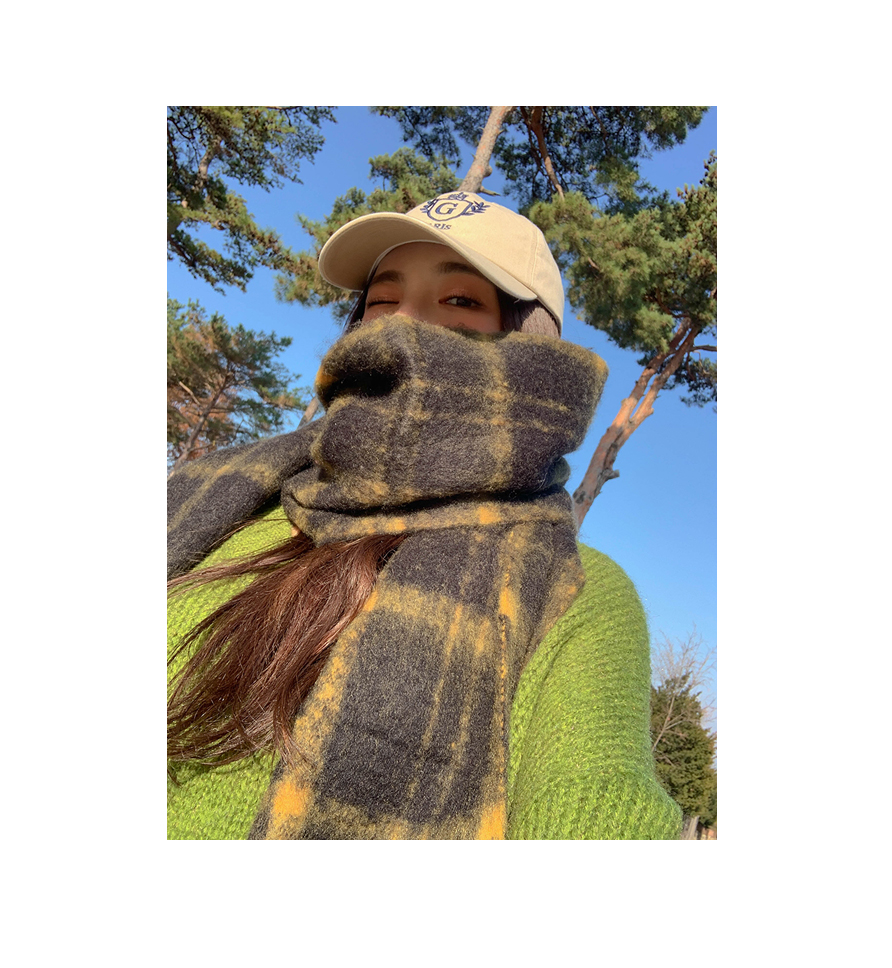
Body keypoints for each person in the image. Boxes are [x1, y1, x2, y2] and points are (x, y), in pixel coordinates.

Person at [167, 191, 682, 840]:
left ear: (529, 348)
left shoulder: (576, 593)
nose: (400, 322)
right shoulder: (226, 495)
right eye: (382, 300)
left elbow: (598, 801)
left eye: (460, 300)